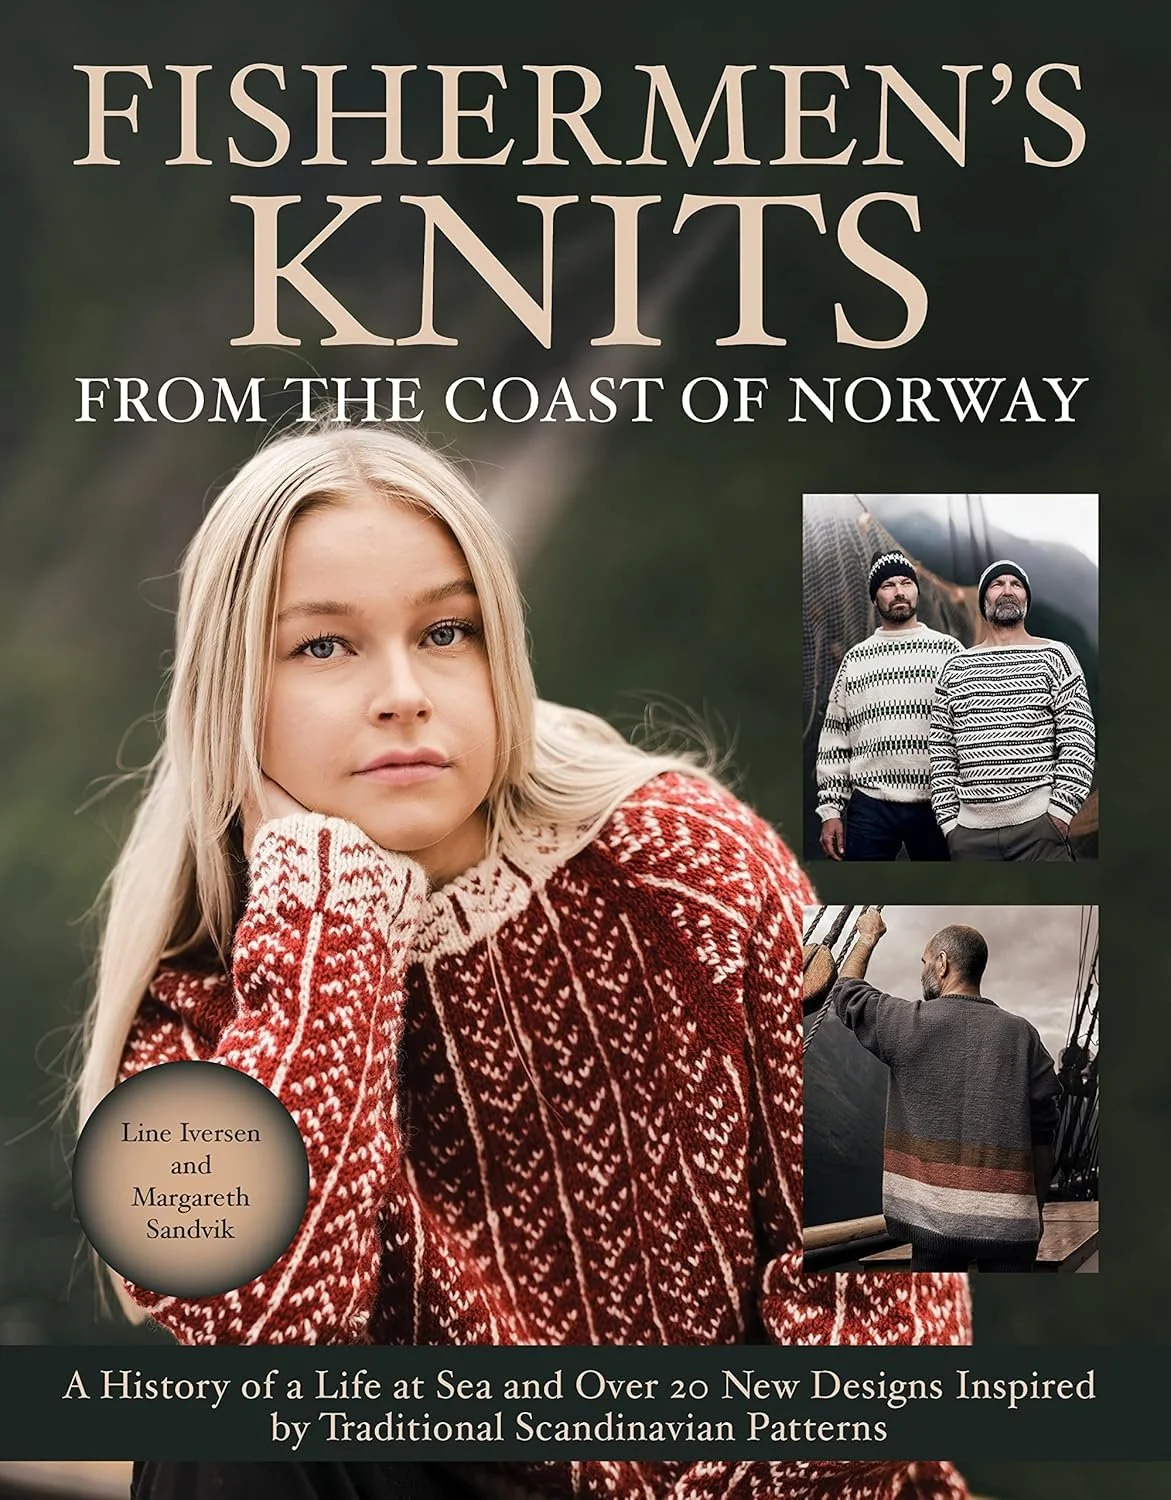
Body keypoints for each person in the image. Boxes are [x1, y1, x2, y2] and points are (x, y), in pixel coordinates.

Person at [80, 424, 971, 1500]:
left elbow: (885, 1305)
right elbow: (272, 1340)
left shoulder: (683, 866)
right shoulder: (199, 994)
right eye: (324, 646)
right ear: (232, 695)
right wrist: (332, 926)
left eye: (446, 632)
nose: (403, 691)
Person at [831, 910, 1061, 1273]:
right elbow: (1044, 1135)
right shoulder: (1024, 1035)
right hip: (1012, 1230)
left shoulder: (908, 1023)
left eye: (924, 960)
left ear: (942, 964)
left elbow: (845, 992)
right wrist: (1034, 1211)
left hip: (934, 1227)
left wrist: (866, 938)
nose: (921, 970)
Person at [929, 559, 1095, 860]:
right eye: (997, 584)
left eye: (1016, 584)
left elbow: (1078, 737)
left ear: (1026, 600)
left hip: (1040, 831)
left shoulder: (1056, 656)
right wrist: (950, 825)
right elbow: (941, 750)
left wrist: (1060, 814)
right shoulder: (955, 667)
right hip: (969, 838)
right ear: (983, 600)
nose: (1008, 590)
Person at [815, 549, 962, 861]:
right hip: (871, 803)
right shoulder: (856, 659)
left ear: (916, 591)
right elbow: (834, 738)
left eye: (906, 583)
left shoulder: (949, 651)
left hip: (939, 801)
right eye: (887, 585)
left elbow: (969, 728)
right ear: (875, 597)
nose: (899, 592)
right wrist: (830, 811)